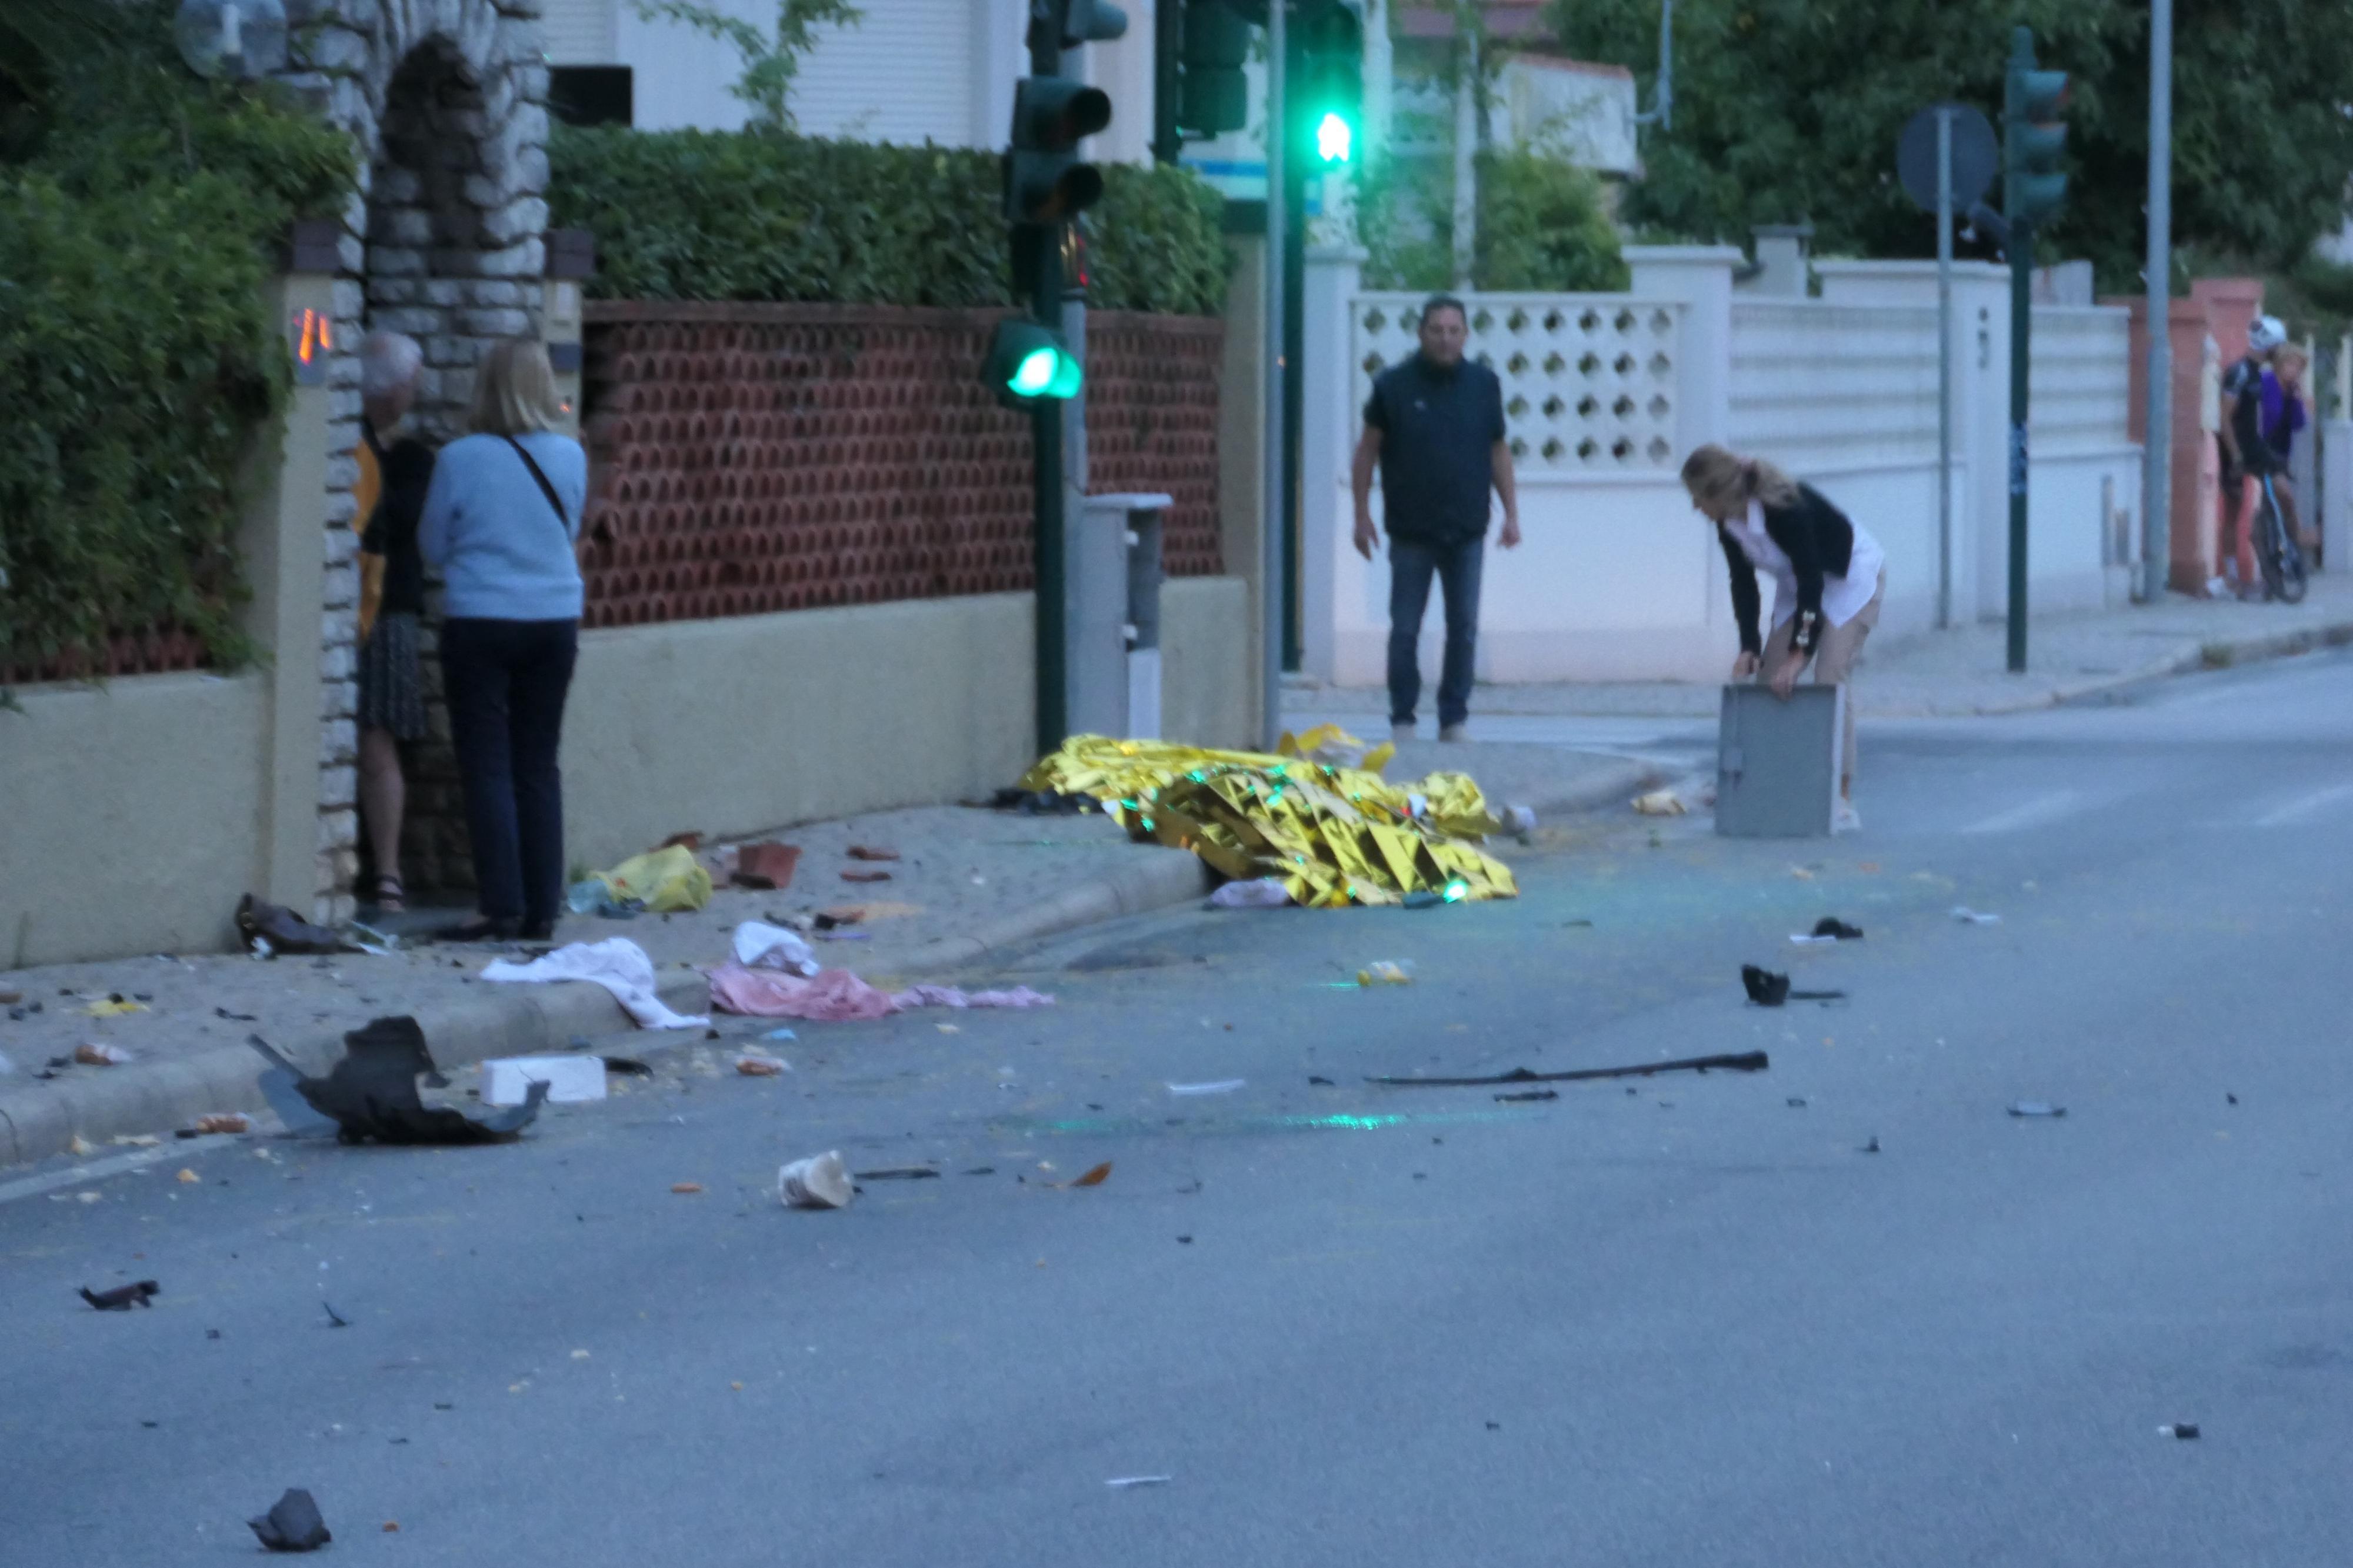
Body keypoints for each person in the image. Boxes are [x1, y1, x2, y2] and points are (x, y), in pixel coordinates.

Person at [418, 341, 588, 942]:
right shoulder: (571, 456)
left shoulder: (460, 459)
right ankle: (544, 905)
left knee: (488, 761)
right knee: (538, 763)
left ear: (484, 386)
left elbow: (433, 546)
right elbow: (567, 529)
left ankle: (500, 904)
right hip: (555, 618)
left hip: (482, 618)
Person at [1680, 443, 1886, 833]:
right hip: (1801, 585)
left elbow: (1813, 577)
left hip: (1849, 579)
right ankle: (1761, 782)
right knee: (1769, 678)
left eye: (1697, 498)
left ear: (1718, 494)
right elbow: (1743, 583)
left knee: (1829, 678)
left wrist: (1800, 653)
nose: (1695, 508)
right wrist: (1749, 647)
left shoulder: (1785, 509)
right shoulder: (1727, 523)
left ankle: (1841, 796)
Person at [1350, 294, 1521, 743]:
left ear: (1465, 335)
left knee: (1463, 627)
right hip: (1411, 531)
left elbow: (1498, 450)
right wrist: (1361, 515)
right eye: (1437, 330)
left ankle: (1454, 718)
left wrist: (1512, 515)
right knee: (1405, 628)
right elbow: (1367, 451)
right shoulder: (1393, 386)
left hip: (1467, 528)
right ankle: (1403, 717)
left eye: (1454, 331)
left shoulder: (1485, 385)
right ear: (1421, 333)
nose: (1446, 339)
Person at [354, 332, 435, 914]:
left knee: (375, 737)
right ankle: (384, 873)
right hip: (382, 606)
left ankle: (385, 873)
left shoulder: (407, 458)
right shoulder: (374, 453)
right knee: (374, 738)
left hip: (387, 605)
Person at [2217, 314, 2287, 599]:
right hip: (2235, 450)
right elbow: (2225, 418)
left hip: (2256, 448)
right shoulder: (2240, 373)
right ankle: (2233, 576)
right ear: (2268, 345)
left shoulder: (2259, 373)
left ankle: (2289, 556)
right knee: (2234, 513)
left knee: (2285, 495)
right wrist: (2235, 456)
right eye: (2278, 346)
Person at [2264, 341, 2311, 559]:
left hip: (2281, 454)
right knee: (2284, 494)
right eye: (2290, 364)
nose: (2294, 370)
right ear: (2279, 364)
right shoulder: (2267, 383)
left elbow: (2299, 424)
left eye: (2298, 367)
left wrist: (2297, 400)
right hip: (2262, 451)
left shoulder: (2292, 392)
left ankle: (2294, 542)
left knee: (2286, 501)